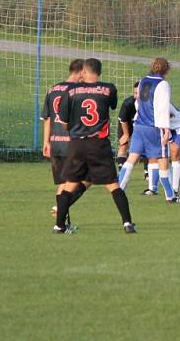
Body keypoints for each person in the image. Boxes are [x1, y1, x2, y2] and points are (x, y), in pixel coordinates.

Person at [55, 58, 135, 234]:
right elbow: (112, 106)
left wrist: (74, 128)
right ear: (99, 71)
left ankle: (59, 225)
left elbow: (64, 123)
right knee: (113, 185)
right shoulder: (109, 89)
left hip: (77, 144)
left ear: (83, 71)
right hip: (99, 143)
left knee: (69, 184)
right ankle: (127, 223)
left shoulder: (71, 91)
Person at [117, 58, 180, 204]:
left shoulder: (143, 81)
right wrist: (166, 130)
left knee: (131, 159)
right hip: (153, 127)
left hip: (139, 126)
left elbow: (139, 103)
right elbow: (162, 108)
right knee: (162, 161)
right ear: (167, 70)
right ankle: (170, 196)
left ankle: (118, 190)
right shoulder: (163, 84)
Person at [42, 59, 90, 221]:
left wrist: (46, 142)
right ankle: (60, 212)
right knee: (86, 178)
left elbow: (47, 118)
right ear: (81, 72)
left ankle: (62, 221)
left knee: (64, 182)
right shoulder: (78, 90)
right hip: (72, 143)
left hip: (55, 142)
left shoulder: (52, 89)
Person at [116, 81, 139, 167]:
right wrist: (126, 134)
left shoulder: (149, 103)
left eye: (138, 93)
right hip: (127, 123)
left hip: (141, 124)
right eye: (134, 93)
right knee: (123, 144)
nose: (135, 96)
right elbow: (123, 120)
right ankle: (121, 171)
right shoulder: (128, 103)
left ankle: (147, 172)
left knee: (147, 145)